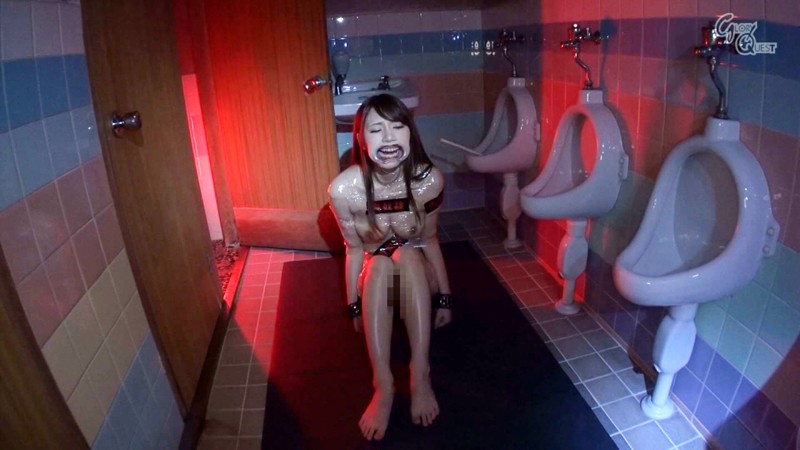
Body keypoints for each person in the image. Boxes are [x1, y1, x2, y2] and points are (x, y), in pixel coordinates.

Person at [328, 94, 453, 441]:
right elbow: (354, 250)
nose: (388, 138)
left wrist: (445, 297)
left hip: (418, 275)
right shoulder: (344, 190)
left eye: (397, 127)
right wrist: (353, 306)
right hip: (375, 283)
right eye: (376, 129)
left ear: (410, 133)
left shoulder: (429, 182)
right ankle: (383, 384)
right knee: (380, 265)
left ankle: (420, 372)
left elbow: (429, 240)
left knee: (408, 255)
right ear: (360, 138)